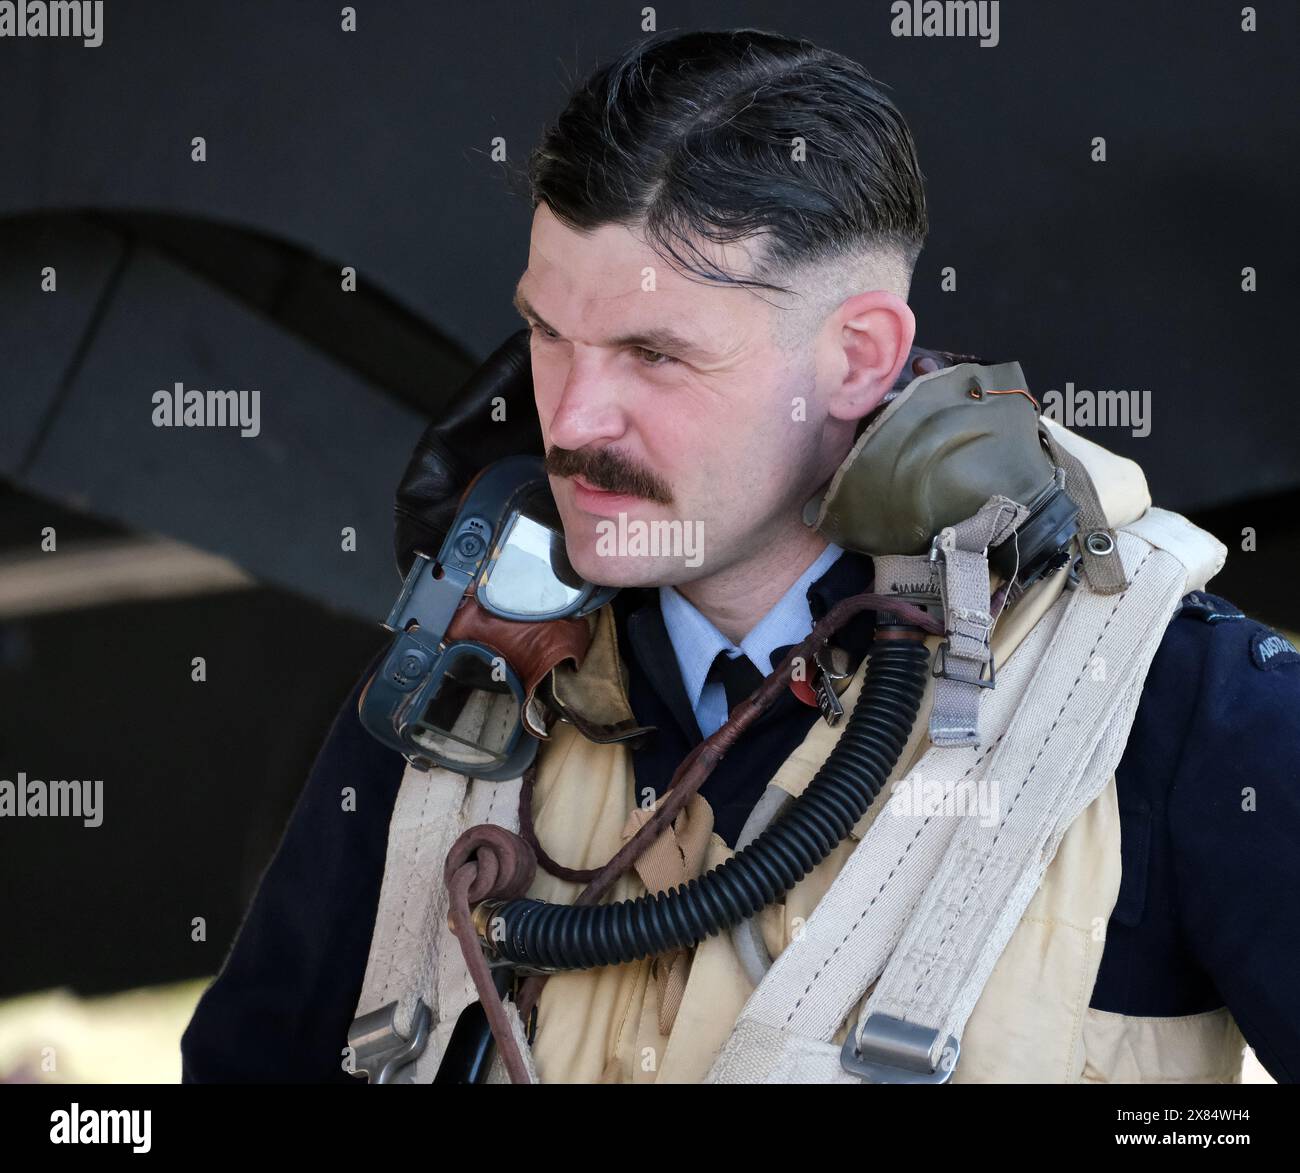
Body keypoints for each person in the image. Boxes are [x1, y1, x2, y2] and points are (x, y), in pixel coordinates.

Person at [180, 27, 1300, 1084]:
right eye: (549, 334)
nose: (571, 422)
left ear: (859, 359)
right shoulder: (456, 691)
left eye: (654, 354)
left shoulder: (1175, 704)